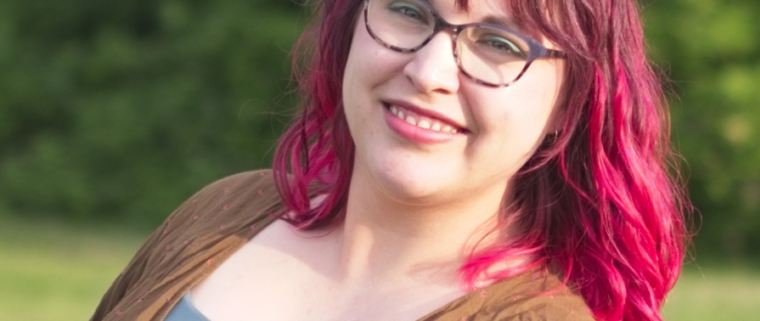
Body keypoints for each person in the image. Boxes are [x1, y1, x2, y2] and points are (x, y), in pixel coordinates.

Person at [92, 0, 689, 320]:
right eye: (408, 10)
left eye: (501, 44)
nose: (428, 72)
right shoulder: (221, 213)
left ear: (572, 101)